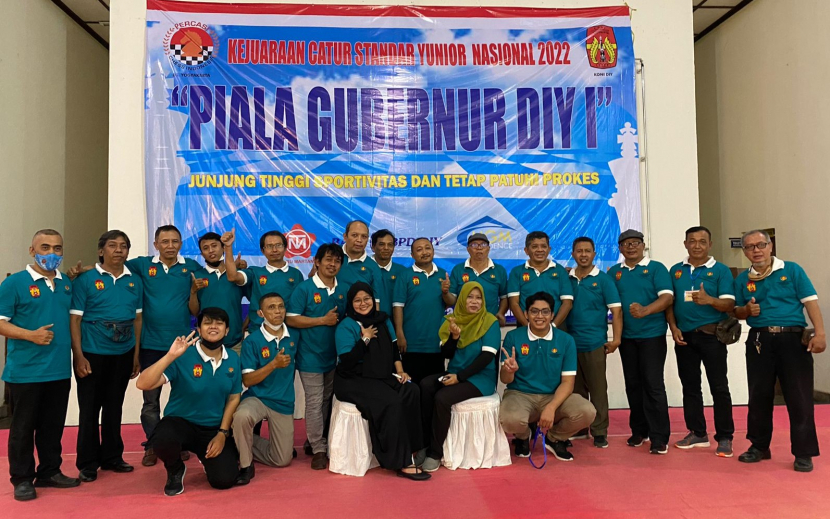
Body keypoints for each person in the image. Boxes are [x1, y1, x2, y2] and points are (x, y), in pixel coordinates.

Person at [734, 229, 826, 472]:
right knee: (759, 395)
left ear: (770, 246)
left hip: (792, 339)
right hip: (759, 339)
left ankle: (804, 453)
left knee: (799, 396)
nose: (756, 250)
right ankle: (759, 446)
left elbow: (810, 302)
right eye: (750, 247)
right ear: (745, 252)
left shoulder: (792, 270)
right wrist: (746, 311)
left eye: (760, 245)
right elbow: (736, 311)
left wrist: (820, 333)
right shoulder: (742, 280)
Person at [0, 230, 80, 501]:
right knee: (22, 429)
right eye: (45, 248)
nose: (52, 253)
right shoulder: (14, 283)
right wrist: (30, 335)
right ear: (32, 251)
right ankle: (22, 478)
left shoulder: (66, 282)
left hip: (58, 370)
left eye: (57, 248)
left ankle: (49, 471)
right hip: (26, 372)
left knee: (52, 426)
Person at [136, 308, 241, 495]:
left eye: (219, 323)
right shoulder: (183, 355)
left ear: (227, 330)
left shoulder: (233, 358)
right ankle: (175, 469)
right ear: (199, 329)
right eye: (207, 323)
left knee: (224, 480)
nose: (213, 327)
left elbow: (233, 398)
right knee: (162, 438)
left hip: (212, 428)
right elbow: (142, 383)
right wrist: (170, 356)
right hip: (181, 423)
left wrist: (222, 433)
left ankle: (206, 458)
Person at [334, 282, 428, 481]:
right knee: (391, 401)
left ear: (373, 300)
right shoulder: (346, 325)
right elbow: (347, 362)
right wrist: (365, 339)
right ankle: (400, 461)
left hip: (380, 374)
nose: (363, 303)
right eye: (357, 300)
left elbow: (394, 349)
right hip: (352, 379)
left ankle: (413, 449)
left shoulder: (383, 320)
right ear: (351, 303)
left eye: (366, 299)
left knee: (411, 390)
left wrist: (401, 371)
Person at [70, 230, 143, 481]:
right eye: (112, 245)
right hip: (92, 353)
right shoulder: (85, 279)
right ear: (101, 251)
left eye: (123, 246)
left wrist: (135, 355)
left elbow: (138, 319)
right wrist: (78, 356)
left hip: (123, 353)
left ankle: (112, 457)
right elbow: (75, 320)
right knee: (89, 409)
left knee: (114, 406)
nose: (118, 250)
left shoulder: (134, 280)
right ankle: (88, 462)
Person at [125, 225, 201, 466]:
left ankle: (178, 443)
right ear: (155, 244)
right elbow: (111, 266)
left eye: (175, 241)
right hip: (151, 345)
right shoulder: (142, 265)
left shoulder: (191, 267)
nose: (170, 246)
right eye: (165, 241)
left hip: (182, 345)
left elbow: (212, 276)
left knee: (184, 398)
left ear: (181, 244)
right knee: (150, 402)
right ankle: (153, 444)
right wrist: (80, 271)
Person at [499, 292, 597, 461]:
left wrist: (551, 407)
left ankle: (554, 438)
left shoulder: (566, 340)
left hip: (554, 395)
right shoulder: (513, 337)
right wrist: (509, 370)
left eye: (545, 312)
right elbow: (505, 380)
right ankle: (523, 437)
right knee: (508, 419)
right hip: (520, 394)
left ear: (552, 315)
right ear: (526, 314)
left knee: (587, 412)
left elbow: (567, 383)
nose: (540, 316)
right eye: (534, 311)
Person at [666, 226, 736, 457]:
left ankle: (725, 437)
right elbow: (669, 303)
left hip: (712, 336)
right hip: (684, 337)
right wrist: (673, 327)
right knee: (690, 387)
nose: (697, 246)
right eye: (692, 241)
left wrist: (710, 300)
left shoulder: (721, 270)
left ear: (710, 245)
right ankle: (697, 433)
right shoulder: (676, 270)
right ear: (685, 244)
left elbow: (729, 304)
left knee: (719, 387)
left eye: (702, 241)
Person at [419, 282, 501, 472]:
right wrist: (454, 338)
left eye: (478, 298)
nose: (474, 301)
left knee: (443, 397)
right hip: (455, 372)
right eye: (470, 297)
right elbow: (446, 354)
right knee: (425, 385)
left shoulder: (490, 322)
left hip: (480, 378)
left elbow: (486, 357)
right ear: (462, 299)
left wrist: (460, 377)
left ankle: (435, 453)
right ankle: (424, 444)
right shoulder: (451, 321)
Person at [607, 229, 673, 455]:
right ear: (620, 248)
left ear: (643, 245)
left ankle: (659, 437)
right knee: (633, 385)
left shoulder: (656, 268)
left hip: (652, 335)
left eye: (636, 243)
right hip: (627, 337)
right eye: (626, 244)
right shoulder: (615, 272)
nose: (631, 247)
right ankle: (639, 431)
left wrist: (645, 310)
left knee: (653, 385)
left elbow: (667, 297)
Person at [285, 243, 347, 470]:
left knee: (326, 400)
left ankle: (316, 440)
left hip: (335, 357)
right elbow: (291, 318)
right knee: (314, 401)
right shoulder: (304, 288)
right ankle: (319, 449)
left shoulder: (344, 289)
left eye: (337, 261)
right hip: (309, 356)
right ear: (317, 262)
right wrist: (322, 320)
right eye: (328, 259)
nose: (333, 264)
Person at [232, 293, 299, 485]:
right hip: (257, 397)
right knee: (242, 416)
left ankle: (238, 441)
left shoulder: (294, 336)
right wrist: (273, 365)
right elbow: (247, 380)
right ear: (260, 313)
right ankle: (246, 465)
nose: (277, 311)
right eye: (271, 307)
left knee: (282, 459)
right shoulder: (252, 341)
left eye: (281, 306)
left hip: (283, 401)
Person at [566, 237, 622, 448]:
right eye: (579, 251)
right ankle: (580, 426)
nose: (583, 254)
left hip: (594, 343)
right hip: (570, 344)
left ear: (594, 254)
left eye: (587, 251)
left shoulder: (604, 280)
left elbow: (616, 311)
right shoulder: (567, 278)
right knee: (575, 390)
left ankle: (599, 431)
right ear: (573, 254)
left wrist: (616, 339)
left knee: (598, 390)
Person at [392, 238, 453, 384]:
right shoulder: (405, 275)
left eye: (427, 248)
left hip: (436, 343)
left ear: (433, 251)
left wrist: (445, 292)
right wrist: (399, 333)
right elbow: (398, 306)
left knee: (433, 386)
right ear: (412, 255)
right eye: (419, 250)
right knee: (412, 386)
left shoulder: (442, 274)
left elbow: (451, 302)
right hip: (411, 343)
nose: (424, 252)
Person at [222, 229, 303, 330]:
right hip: (259, 331)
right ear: (262, 250)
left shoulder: (296, 274)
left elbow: (300, 306)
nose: (274, 250)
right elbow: (233, 276)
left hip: (288, 331)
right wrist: (228, 247)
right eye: (269, 246)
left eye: (278, 245)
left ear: (285, 248)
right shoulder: (254, 272)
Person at [189, 232, 247, 353]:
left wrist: (244, 326)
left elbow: (256, 301)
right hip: (205, 344)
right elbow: (194, 312)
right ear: (201, 254)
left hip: (234, 343)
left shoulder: (237, 275)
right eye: (205, 248)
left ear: (223, 248)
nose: (211, 250)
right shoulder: (197, 276)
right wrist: (193, 291)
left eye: (214, 246)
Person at [508, 231, 573, 328]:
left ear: (549, 249)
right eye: (534, 247)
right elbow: (514, 303)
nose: (540, 250)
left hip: (556, 326)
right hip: (525, 326)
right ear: (526, 250)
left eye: (543, 246)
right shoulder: (517, 272)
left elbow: (567, 303)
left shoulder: (560, 271)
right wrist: (528, 328)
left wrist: (553, 326)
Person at [447, 233, 508, 325]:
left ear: (488, 249)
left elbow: (504, 297)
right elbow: (452, 300)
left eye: (483, 244)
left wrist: (500, 313)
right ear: (468, 249)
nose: (479, 248)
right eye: (474, 244)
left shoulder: (499, 270)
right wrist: (445, 292)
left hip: (489, 323)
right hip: (463, 324)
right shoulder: (458, 270)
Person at [337, 220, 383, 307]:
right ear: (345, 237)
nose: (359, 240)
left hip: (357, 314)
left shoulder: (373, 267)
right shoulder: (331, 256)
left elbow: (375, 303)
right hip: (327, 312)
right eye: (354, 235)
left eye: (364, 236)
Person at [370, 229, 408, 317]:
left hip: (395, 322)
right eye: (381, 244)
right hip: (369, 322)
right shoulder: (365, 268)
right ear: (373, 247)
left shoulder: (402, 272)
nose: (386, 248)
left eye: (390, 245)